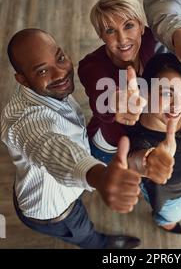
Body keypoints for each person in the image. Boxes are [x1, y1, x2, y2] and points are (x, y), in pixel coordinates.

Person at [0, 28, 142, 249]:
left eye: (60, 58)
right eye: (42, 71)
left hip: (47, 189)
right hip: (54, 211)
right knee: (85, 234)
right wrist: (99, 176)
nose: (60, 73)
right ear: (22, 80)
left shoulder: (46, 91)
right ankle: (103, 246)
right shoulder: (24, 122)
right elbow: (48, 145)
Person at [127, 53, 181, 234]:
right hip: (169, 197)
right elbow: (134, 162)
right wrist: (147, 161)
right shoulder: (140, 139)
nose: (178, 105)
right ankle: (165, 223)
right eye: (167, 93)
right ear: (146, 93)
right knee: (173, 215)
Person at [78, 0, 156, 163]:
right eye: (110, 31)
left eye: (129, 26)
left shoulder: (151, 39)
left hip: (146, 134)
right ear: (100, 35)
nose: (122, 39)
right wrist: (114, 102)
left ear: (141, 26)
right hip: (111, 145)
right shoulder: (91, 66)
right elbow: (103, 97)